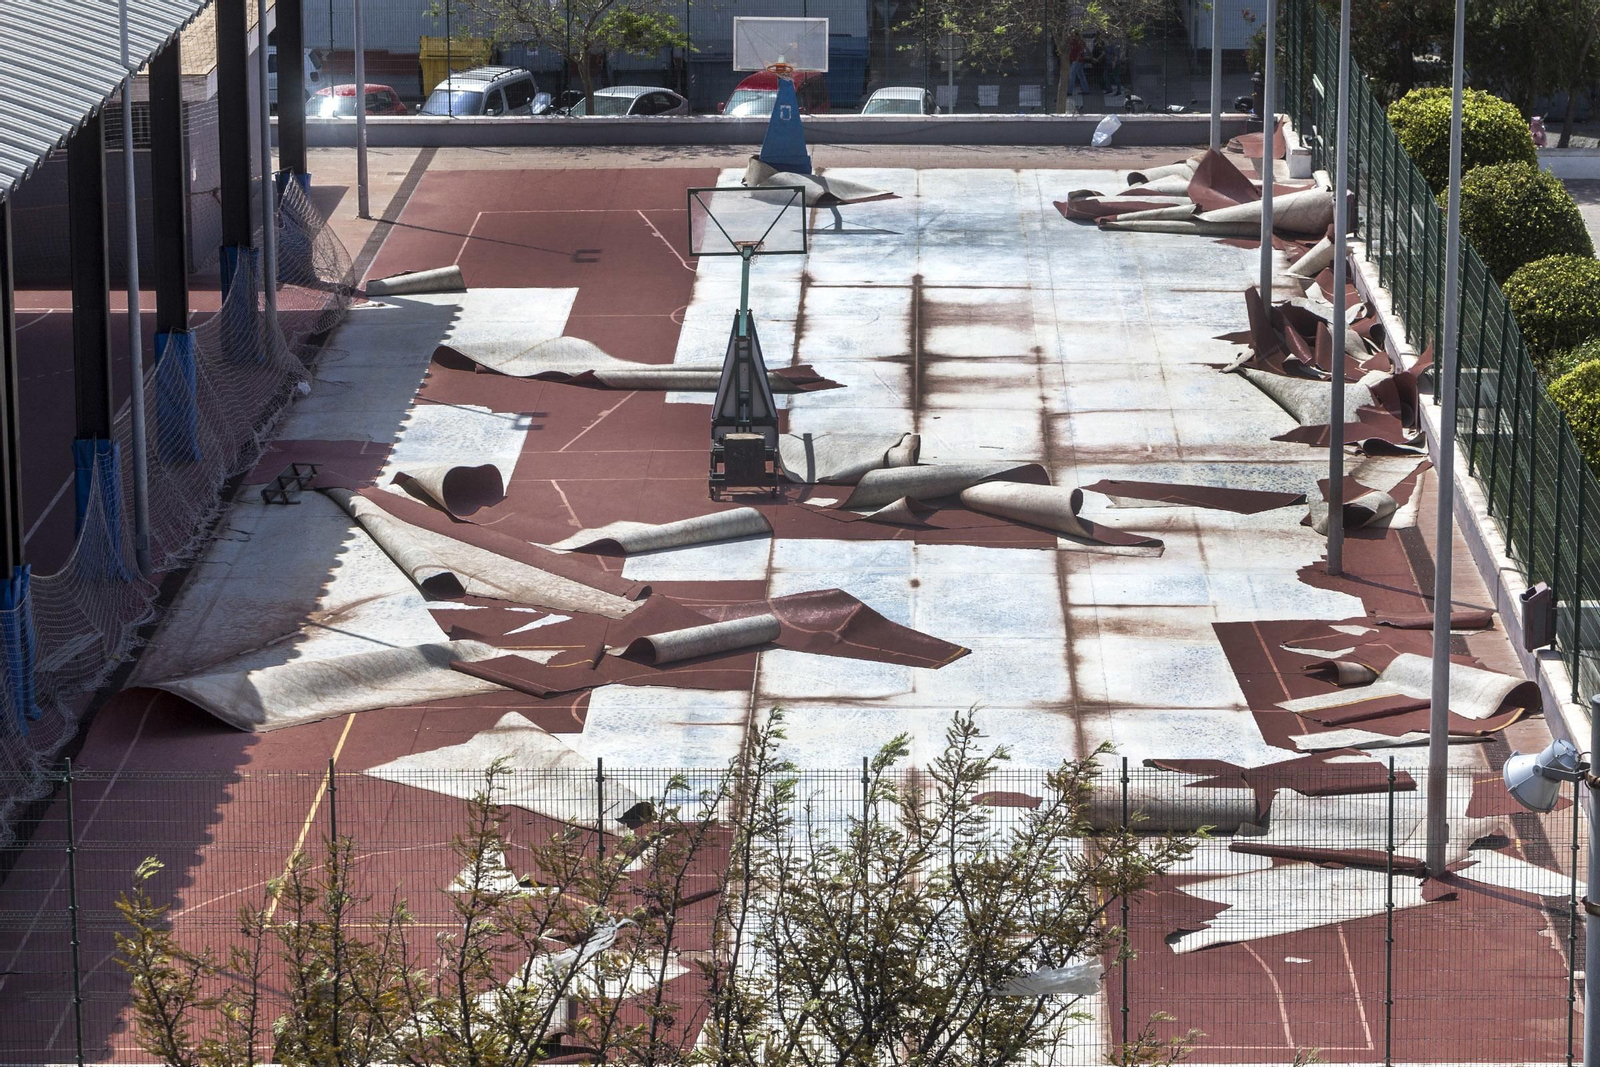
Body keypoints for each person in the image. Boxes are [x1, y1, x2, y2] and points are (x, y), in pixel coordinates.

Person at [1067, 31, 1089, 96]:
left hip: (1077, 60)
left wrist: (1077, 59)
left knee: (1072, 75)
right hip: (1078, 60)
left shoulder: (1077, 42)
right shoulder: (1078, 42)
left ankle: (1070, 91)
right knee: (1081, 75)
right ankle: (1085, 89)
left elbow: (1079, 51)